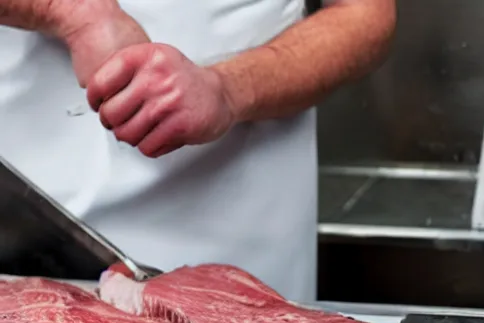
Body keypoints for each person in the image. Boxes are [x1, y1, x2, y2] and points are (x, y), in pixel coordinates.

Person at [0, 0, 396, 302]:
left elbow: (362, 15)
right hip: (33, 201)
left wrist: (229, 89)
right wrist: (73, 12)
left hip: (241, 218)